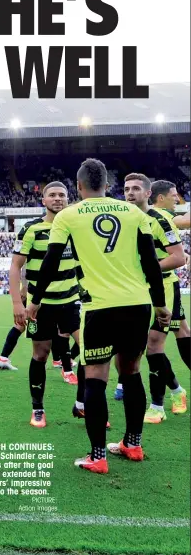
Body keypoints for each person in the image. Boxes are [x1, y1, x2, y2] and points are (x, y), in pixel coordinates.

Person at [26, 159, 170, 474]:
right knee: (131, 371)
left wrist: (34, 301)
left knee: (95, 377)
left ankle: (97, 456)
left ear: (78, 187)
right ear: (108, 185)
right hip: (137, 304)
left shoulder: (67, 216)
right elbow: (150, 260)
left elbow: (50, 262)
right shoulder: (133, 213)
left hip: (99, 309)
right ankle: (132, 443)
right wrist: (160, 305)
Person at [9, 182, 81, 429]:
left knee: (91, 352)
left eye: (62, 195)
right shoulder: (31, 229)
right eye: (52, 195)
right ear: (43, 200)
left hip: (72, 301)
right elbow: (16, 266)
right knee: (40, 354)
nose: (58, 199)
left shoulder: (76, 228)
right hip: (41, 306)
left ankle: (83, 404)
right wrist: (18, 302)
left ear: (68, 199)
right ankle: (38, 409)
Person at [122, 174, 187, 420]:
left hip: (164, 288)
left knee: (153, 345)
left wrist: (147, 269)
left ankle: (157, 406)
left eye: (136, 188)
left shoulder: (160, 219)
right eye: (127, 188)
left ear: (148, 194)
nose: (130, 193)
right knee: (137, 347)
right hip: (133, 290)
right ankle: (177, 390)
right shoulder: (124, 218)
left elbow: (178, 258)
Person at [151, 180, 190, 369]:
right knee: (155, 342)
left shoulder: (150, 214)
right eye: (174, 195)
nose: (177, 198)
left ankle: (122, 383)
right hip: (161, 284)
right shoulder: (163, 215)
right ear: (161, 198)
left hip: (165, 283)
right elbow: (187, 221)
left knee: (181, 330)